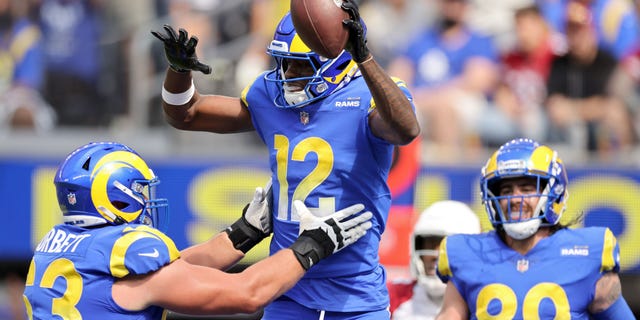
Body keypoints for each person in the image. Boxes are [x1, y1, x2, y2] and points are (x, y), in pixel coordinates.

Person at [151, 0, 420, 317]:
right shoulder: (269, 95)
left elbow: (406, 130)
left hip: (355, 294)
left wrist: (365, 58)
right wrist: (179, 72)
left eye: (302, 65)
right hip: (288, 290)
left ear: (335, 63)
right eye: (284, 63)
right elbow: (186, 114)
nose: (289, 74)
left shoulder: (366, 96)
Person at [22, 141, 373, 319]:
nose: (146, 200)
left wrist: (243, 233)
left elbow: (178, 267)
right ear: (116, 197)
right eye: (140, 191)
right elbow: (247, 292)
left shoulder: (61, 247)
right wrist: (311, 246)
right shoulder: (129, 258)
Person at [434, 138, 635, 319]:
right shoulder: (468, 252)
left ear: (554, 194)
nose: (514, 198)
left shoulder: (587, 252)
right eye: (506, 190)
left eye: (527, 188)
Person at [387, 200, 481, 319]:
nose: (435, 255)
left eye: (445, 245)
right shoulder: (393, 295)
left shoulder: (485, 302)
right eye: (430, 243)